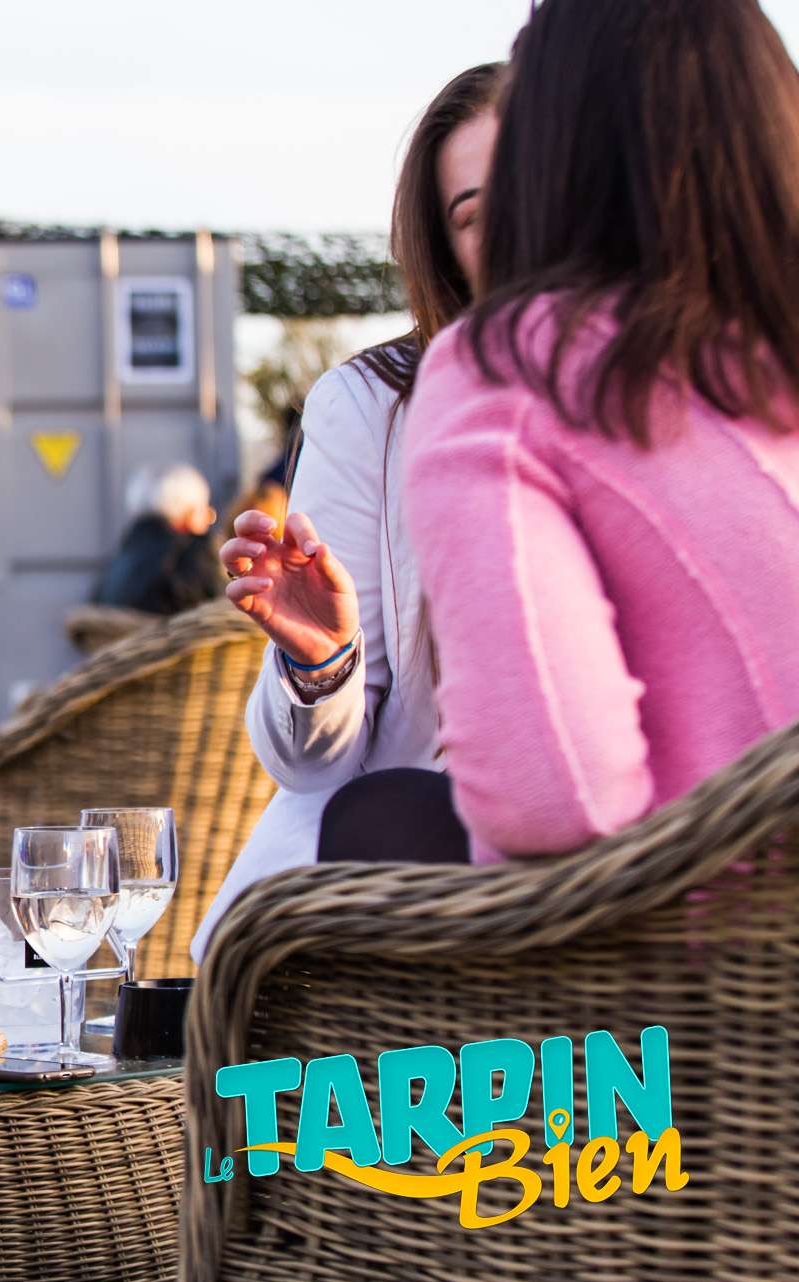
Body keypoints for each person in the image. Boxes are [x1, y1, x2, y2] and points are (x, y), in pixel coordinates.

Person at [403, 0, 799, 861]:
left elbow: (553, 799)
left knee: (366, 829)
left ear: (549, 146)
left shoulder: (510, 371)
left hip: (700, 936)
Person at [192, 62, 501, 960]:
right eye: (477, 214)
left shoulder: (665, 396)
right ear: (446, 249)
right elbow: (314, 764)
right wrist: (321, 662)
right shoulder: (371, 409)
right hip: (408, 884)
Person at [92, 465, 224, 615]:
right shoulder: (196, 555)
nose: (208, 520)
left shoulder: (119, 562)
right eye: (205, 512)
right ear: (189, 515)